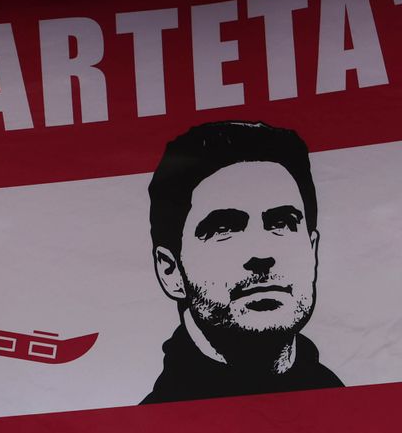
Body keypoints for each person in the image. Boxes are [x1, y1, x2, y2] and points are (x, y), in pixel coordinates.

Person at [142, 120, 343, 403]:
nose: (262, 255)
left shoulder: (353, 412)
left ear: (313, 251)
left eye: (282, 223)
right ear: (170, 270)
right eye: (224, 229)